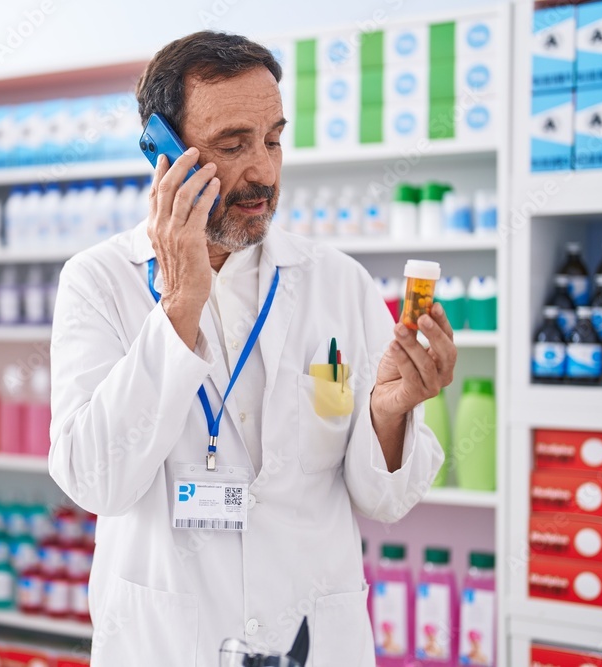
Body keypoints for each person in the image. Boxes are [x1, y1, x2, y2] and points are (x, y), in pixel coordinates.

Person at [48, 31, 452, 667]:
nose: (263, 170)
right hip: (168, 643)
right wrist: (179, 304)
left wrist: (389, 414)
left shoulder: (336, 281)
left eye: (272, 139)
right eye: (233, 145)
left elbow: (386, 500)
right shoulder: (100, 282)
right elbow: (97, 481)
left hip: (314, 639)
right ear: (164, 151)